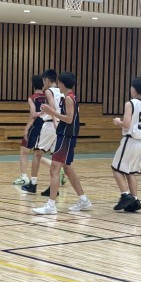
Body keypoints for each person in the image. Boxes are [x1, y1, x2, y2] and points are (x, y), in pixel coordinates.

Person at [32, 71, 91, 215]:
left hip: (66, 136)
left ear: (62, 84)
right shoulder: (70, 97)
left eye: (59, 82)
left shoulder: (69, 98)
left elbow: (69, 119)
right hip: (67, 136)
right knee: (68, 169)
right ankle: (83, 199)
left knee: (54, 169)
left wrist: (52, 112)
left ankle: (51, 205)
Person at [111, 78, 141, 213]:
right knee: (130, 171)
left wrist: (118, 122)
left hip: (130, 140)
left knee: (116, 168)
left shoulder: (130, 103)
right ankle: (134, 200)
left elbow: (127, 124)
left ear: (134, 89)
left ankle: (125, 195)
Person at [22, 69, 62, 195]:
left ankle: (33, 184)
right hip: (61, 125)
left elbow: (52, 107)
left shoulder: (49, 91)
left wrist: (53, 120)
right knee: (55, 157)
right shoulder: (62, 92)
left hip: (50, 125)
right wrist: (41, 113)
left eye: (44, 81)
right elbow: (57, 108)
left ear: (47, 80)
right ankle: (54, 188)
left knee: (37, 153)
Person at [12, 75, 48, 185]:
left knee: (24, 151)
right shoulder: (48, 97)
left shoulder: (32, 98)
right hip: (46, 126)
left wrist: (27, 129)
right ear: (44, 85)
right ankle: (57, 168)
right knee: (38, 153)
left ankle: (24, 177)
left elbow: (33, 114)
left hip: (35, 127)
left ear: (33, 85)